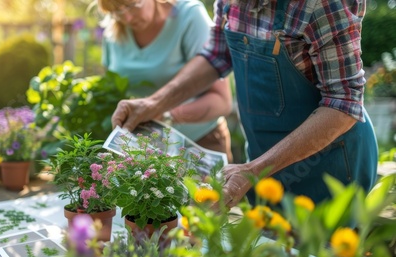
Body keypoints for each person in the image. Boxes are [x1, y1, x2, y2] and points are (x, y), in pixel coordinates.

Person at [111, 0, 378, 207]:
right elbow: (217, 55)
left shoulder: (322, 4)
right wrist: (153, 104)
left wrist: (253, 170)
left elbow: (344, 103)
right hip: (264, 162)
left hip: (329, 167)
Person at [96, 0, 234, 162]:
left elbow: (222, 101)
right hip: (145, 151)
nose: (126, 17)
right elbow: (110, 91)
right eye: (116, 10)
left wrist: (164, 115)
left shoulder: (189, 16)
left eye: (132, 6)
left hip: (200, 146)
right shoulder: (113, 31)